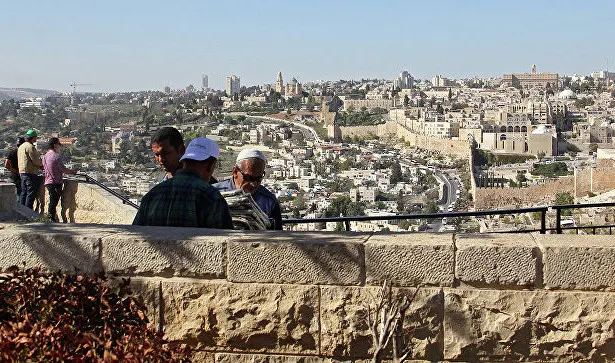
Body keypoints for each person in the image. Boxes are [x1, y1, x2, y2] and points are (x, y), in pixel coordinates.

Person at [133, 137, 233, 229]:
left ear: (184, 161)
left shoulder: (152, 195)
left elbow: (136, 233)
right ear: (211, 165)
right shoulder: (211, 197)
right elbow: (225, 240)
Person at [214, 149, 282, 230]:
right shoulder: (214, 193)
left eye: (259, 178)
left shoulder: (269, 201)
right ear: (235, 172)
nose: (254, 184)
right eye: (249, 178)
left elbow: (277, 234)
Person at [42, 138, 77, 222]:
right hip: (55, 182)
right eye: (59, 144)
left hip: (47, 181)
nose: (60, 147)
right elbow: (63, 169)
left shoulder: (45, 156)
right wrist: (72, 172)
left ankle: (50, 217)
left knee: (52, 200)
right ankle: (50, 218)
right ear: (55, 145)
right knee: (53, 201)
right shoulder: (56, 157)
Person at [17, 129, 43, 209]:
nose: (36, 139)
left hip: (22, 172)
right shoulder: (30, 147)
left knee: (23, 193)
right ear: (33, 137)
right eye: (35, 137)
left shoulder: (21, 146)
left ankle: (21, 212)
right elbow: (35, 161)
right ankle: (28, 213)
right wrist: (41, 165)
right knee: (30, 194)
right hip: (30, 173)